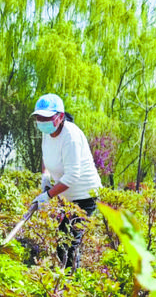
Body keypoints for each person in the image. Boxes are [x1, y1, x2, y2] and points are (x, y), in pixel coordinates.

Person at [30, 93, 102, 271]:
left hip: (85, 195)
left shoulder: (71, 136)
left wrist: (47, 195)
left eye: (45, 117)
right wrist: (45, 177)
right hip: (67, 195)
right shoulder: (47, 134)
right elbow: (47, 158)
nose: (41, 121)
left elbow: (72, 176)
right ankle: (63, 281)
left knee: (70, 243)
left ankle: (71, 284)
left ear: (60, 117)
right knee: (62, 240)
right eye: (38, 117)